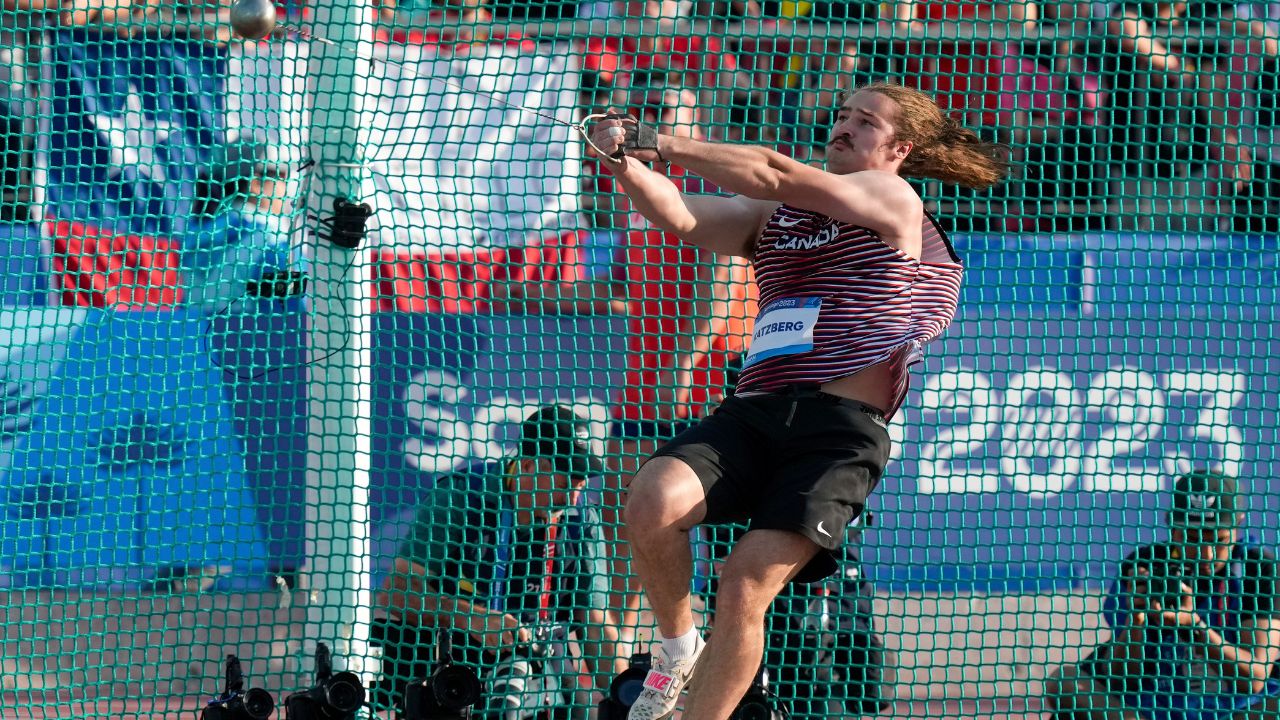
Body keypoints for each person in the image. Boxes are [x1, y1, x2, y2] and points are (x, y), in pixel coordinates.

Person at [586, 81, 1008, 720]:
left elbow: (773, 170)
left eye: (865, 122)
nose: (845, 127)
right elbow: (678, 215)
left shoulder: (891, 197)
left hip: (838, 432)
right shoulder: (775, 217)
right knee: (651, 499)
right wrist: (626, 164)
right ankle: (677, 652)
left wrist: (659, 139)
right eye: (843, 116)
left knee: (744, 582)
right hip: (755, 410)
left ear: (900, 148)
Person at [371, 404, 628, 716]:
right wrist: (470, 618)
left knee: (583, 708)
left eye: (580, 486)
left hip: (535, 670)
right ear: (530, 467)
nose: (573, 499)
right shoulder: (460, 497)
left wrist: (627, 698)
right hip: (451, 672)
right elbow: (397, 591)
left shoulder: (580, 521)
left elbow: (595, 624)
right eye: (564, 485)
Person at [1044, 470, 1280, 720]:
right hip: (1156, 711)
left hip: (1238, 711)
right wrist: (1136, 621)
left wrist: (1194, 626)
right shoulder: (1146, 566)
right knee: (1064, 683)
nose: (1206, 554)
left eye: (1219, 540)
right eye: (1192, 537)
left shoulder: (1258, 569)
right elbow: (1124, 678)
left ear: (1238, 523)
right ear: (1172, 526)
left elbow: (1254, 678)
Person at [182, 133, 298, 312]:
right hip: (254, 338)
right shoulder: (271, 243)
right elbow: (294, 314)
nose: (288, 186)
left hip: (195, 337)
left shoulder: (199, 237)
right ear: (255, 182)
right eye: (281, 175)